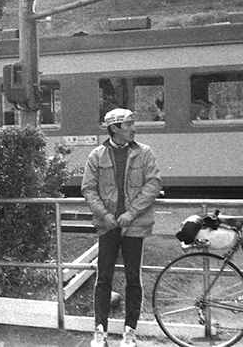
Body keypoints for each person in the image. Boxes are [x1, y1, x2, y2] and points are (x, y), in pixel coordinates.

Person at [81, 108, 162, 347]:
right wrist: (105, 215)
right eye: (128, 125)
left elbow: (153, 184)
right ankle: (100, 331)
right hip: (107, 226)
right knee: (103, 278)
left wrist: (131, 213)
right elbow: (88, 188)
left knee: (133, 278)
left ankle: (130, 332)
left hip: (134, 225)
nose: (133, 128)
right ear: (114, 128)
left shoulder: (145, 153)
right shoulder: (97, 155)